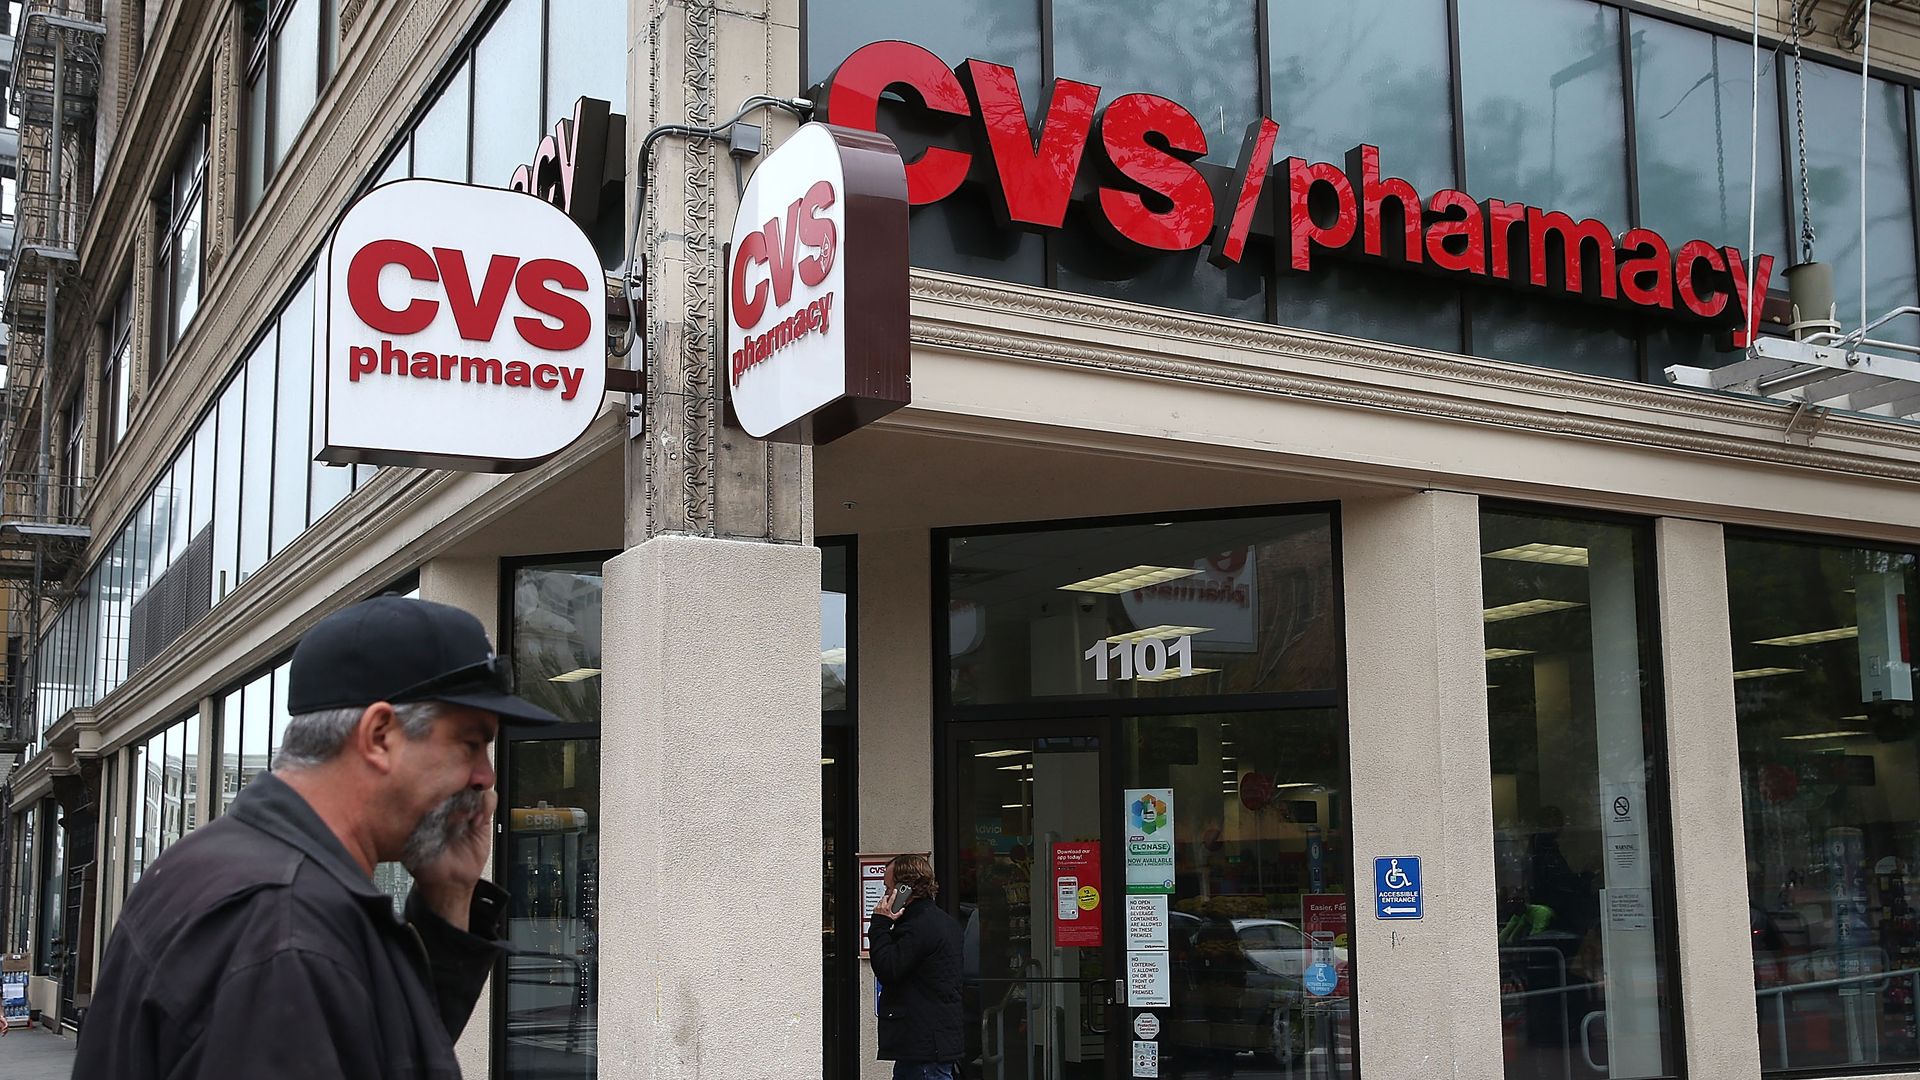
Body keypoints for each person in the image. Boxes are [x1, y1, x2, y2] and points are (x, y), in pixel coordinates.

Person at [73, 596, 561, 1080]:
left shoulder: (237, 870)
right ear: (379, 736)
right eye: (471, 744)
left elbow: (380, 1053)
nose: (485, 777)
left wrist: (450, 897)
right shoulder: (284, 929)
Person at [870, 853, 963, 1080]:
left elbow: (888, 968)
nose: (884, 895)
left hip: (923, 1044)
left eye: (887, 887)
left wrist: (880, 924)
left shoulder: (918, 926)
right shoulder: (941, 921)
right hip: (930, 1042)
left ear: (904, 890)